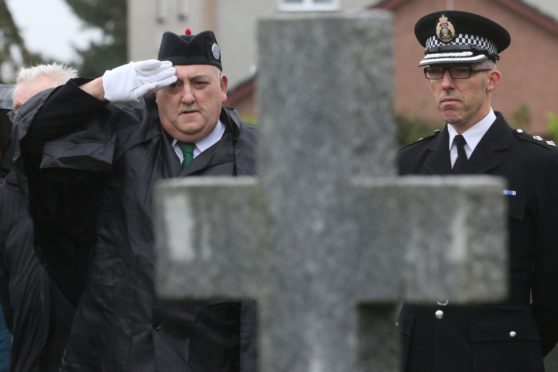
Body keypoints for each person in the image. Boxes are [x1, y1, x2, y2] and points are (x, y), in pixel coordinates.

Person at [15, 29, 258, 371]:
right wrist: (100, 89)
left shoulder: (263, 158)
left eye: (200, 83)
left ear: (223, 87)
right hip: (117, 355)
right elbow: (30, 130)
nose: (187, 96)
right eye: (173, 85)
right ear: (155, 94)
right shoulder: (122, 137)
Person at [397, 10, 558, 372]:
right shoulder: (407, 164)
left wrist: (512, 342)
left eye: (462, 70)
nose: (447, 83)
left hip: (499, 357)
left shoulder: (539, 165)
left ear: (493, 79)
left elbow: (552, 291)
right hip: (421, 354)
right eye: (436, 71)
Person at [0, 64, 79, 372]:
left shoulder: (105, 181)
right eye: (18, 111)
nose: (24, 121)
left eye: (38, 108)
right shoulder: (7, 196)